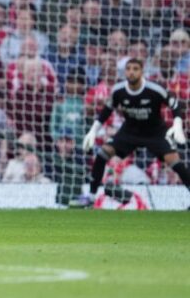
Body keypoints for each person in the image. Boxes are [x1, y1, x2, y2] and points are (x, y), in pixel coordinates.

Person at [79, 58, 190, 205]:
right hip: (130, 131)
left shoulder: (154, 89)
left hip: (155, 132)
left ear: (142, 71)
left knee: (175, 161)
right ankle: (91, 197)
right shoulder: (119, 90)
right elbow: (105, 112)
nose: (131, 72)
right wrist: (93, 131)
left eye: (135, 69)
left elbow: (174, 104)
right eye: (128, 69)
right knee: (102, 154)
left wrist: (177, 125)